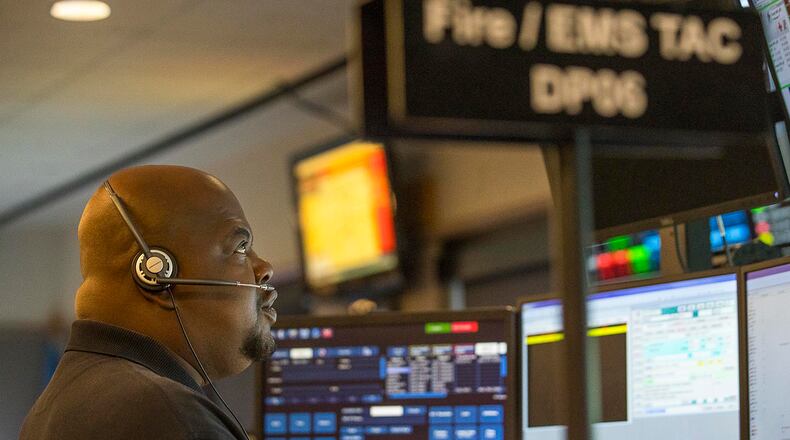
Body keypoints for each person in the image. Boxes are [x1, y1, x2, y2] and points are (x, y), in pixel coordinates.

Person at [20, 165, 277, 440]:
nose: (265, 268)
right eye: (240, 247)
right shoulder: (171, 416)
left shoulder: (54, 405)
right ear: (157, 275)